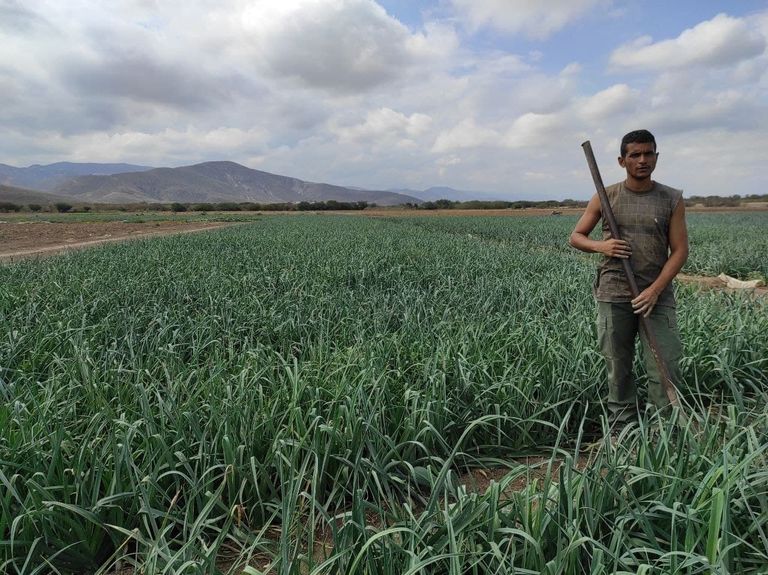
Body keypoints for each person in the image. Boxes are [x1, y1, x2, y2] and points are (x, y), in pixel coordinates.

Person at [569, 129, 689, 425]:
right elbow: (576, 236)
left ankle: (666, 429)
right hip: (614, 292)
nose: (642, 160)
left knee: (665, 365)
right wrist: (602, 245)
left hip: (656, 297)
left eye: (648, 153)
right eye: (635, 155)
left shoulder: (671, 198)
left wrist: (656, 290)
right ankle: (622, 428)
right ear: (622, 161)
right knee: (618, 365)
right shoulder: (606, 197)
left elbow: (680, 250)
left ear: (656, 158)